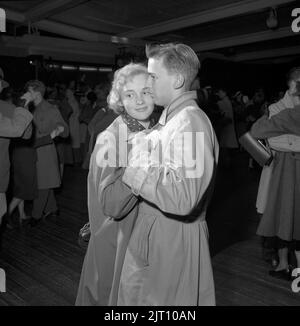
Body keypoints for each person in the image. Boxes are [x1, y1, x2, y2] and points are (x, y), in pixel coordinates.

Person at [118, 43, 219, 305]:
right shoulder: (176, 120)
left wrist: (137, 159)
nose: (148, 83)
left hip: (173, 240)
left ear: (178, 80)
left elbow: (183, 196)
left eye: (153, 76)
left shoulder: (191, 122)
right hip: (162, 234)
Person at [76, 63, 156, 305]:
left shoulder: (150, 129)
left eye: (146, 92)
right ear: (119, 99)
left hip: (140, 241)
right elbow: (110, 205)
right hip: (117, 243)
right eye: (130, 94)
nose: (140, 101)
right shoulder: (111, 139)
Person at [252, 67, 300, 281]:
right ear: (290, 84)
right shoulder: (277, 108)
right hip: (278, 170)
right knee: (281, 215)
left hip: (288, 167)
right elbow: (266, 138)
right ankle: (282, 263)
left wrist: (286, 140)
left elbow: (276, 138)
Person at [23, 80, 69, 226]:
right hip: (33, 150)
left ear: (37, 93)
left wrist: (59, 129)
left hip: (45, 152)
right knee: (45, 182)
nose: (25, 94)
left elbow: (65, 130)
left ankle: (36, 216)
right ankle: (53, 208)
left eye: (28, 91)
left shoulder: (50, 109)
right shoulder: (30, 108)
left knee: (42, 184)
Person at [0, 68, 33, 247]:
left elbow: (26, 133)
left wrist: (21, 109)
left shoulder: (6, 108)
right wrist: (22, 107)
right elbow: (21, 131)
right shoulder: (9, 108)